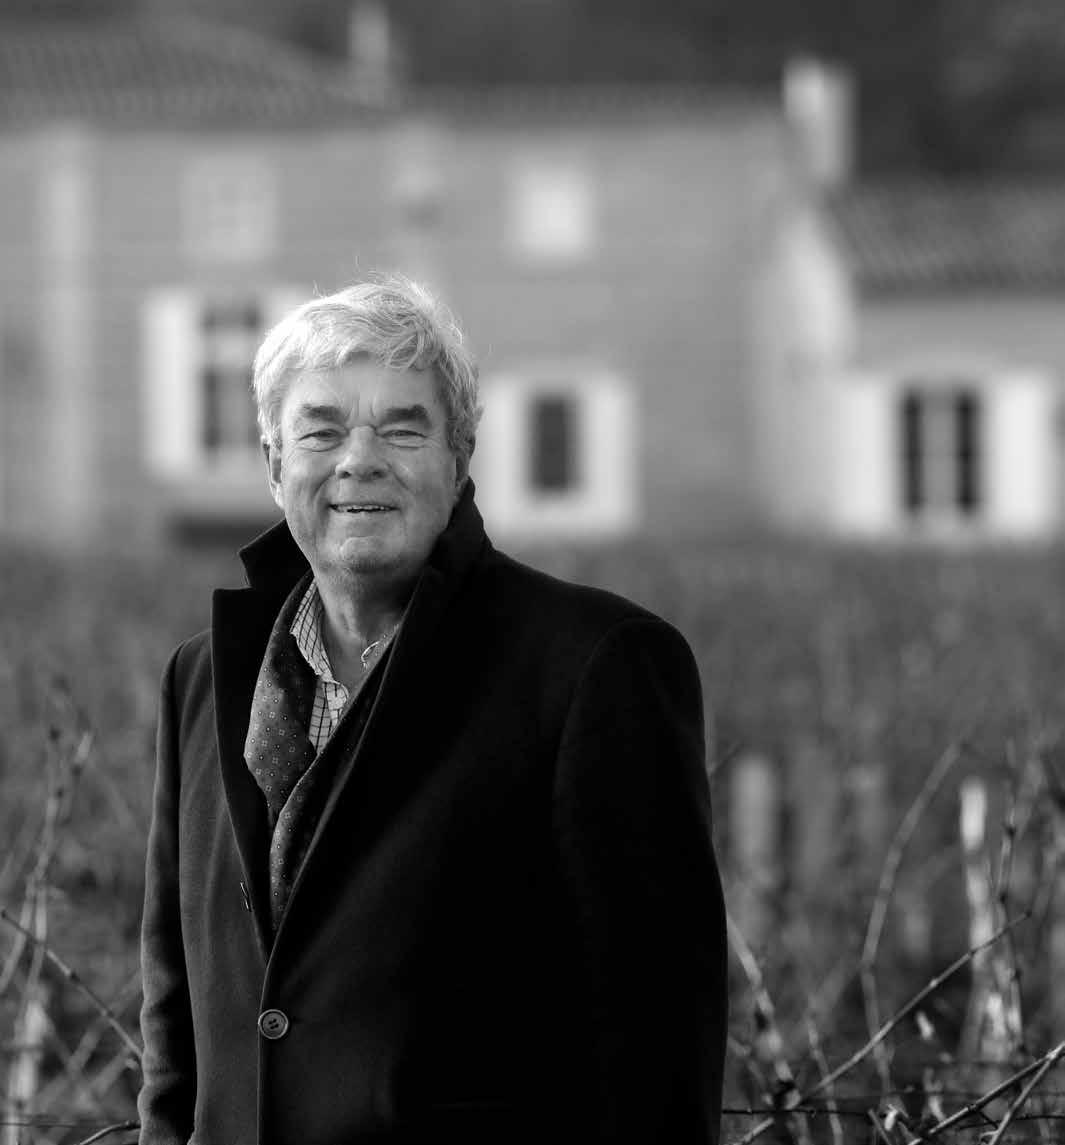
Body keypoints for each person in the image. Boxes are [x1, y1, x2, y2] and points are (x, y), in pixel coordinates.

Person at [138, 276, 728, 1145]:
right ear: (273, 463)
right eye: (321, 430)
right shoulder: (200, 677)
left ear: (459, 460)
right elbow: (174, 1016)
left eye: (402, 428)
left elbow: (657, 1045)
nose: (360, 459)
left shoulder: (594, 664)